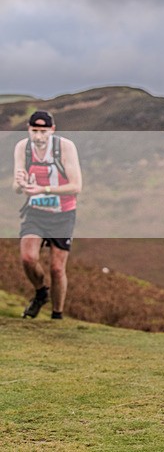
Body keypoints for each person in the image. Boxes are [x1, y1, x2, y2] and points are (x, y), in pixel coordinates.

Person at [13, 111, 82, 320]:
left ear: (52, 130)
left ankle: (57, 315)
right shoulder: (22, 148)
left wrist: (44, 189)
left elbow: (76, 186)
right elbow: (16, 186)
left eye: (43, 131)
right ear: (28, 129)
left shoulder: (65, 148)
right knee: (28, 258)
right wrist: (21, 183)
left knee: (56, 268)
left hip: (63, 213)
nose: (39, 136)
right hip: (35, 211)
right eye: (34, 131)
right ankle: (41, 292)